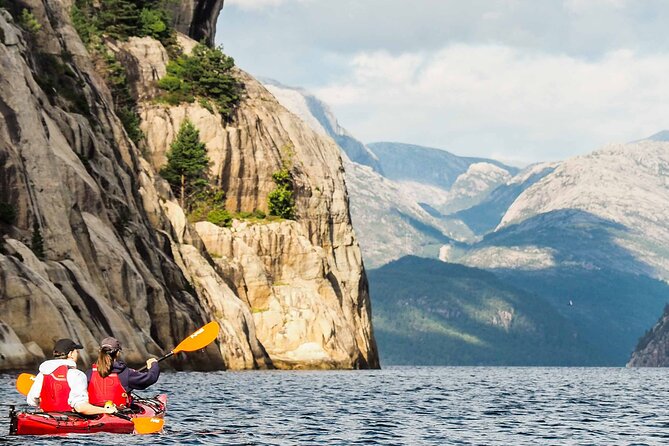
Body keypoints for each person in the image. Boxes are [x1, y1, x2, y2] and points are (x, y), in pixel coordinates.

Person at [26, 338, 117, 415]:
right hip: (69, 421)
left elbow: (31, 401)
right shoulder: (77, 374)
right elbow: (81, 408)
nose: (77, 354)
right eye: (76, 351)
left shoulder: (43, 373)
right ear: (70, 354)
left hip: (46, 416)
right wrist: (106, 410)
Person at [85, 337, 160, 408]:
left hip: (94, 413)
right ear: (117, 353)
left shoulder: (89, 373)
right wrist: (154, 365)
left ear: (100, 352)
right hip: (120, 411)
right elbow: (150, 378)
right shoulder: (126, 373)